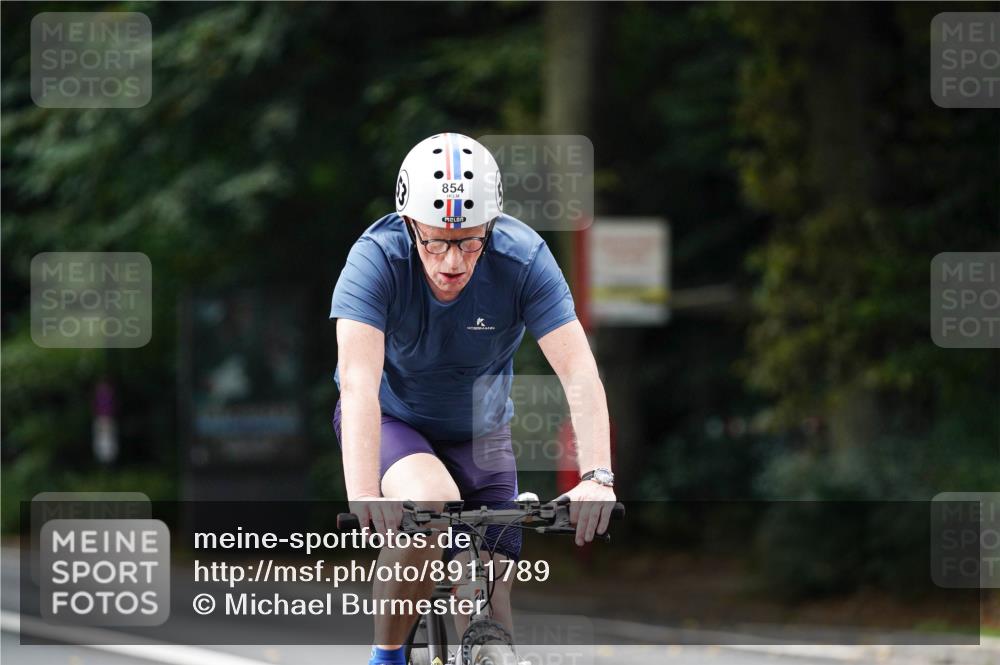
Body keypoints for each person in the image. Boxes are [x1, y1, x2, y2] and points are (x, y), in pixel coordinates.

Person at [330, 133, 616, 665]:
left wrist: (597, 474)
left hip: (481, 431)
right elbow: (358, 382)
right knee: (430, 498)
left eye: (469, 242)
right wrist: (365, 489)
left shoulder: (524, 258)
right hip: (393, 419)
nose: (452, 261)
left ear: (491, 228)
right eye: (436, 241)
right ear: (410, 224)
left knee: (490, 598)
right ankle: (386, 656)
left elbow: (578, 369)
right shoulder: (375, 259)